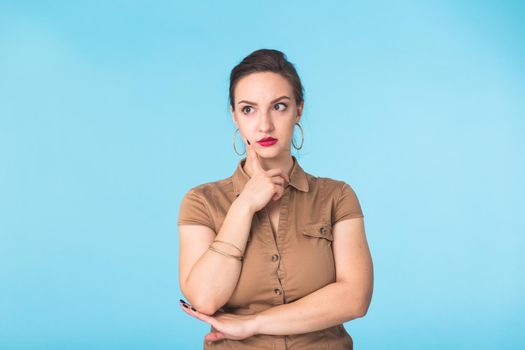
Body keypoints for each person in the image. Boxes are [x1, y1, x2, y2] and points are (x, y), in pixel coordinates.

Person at [178, 48, 373, 349]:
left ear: (299, 109)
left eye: (279, 106)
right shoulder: (201, 202)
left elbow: (355, 298)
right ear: (234, 116)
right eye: (248, 109)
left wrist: (253, 324)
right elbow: (205, 298)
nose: (265, 125)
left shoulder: (337, 197)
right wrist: (244, 205)